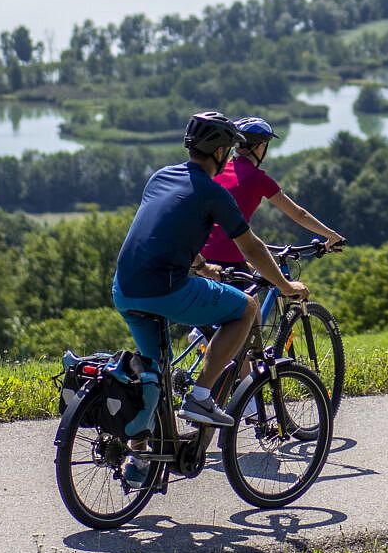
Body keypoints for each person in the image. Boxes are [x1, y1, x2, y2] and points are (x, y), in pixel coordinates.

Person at [111, 110, 310, 435]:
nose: (230, 156)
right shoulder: (213, 192)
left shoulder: (160, 176)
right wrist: (286, 286)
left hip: (124, 289)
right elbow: (252, 248)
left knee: (154, 375)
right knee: (246, 308)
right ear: (219, 151)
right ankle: (201, 396)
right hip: (164, 290)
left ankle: (140, 455)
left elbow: (166, 231)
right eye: (228, 150)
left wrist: (202, 267)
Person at [201, 116, 345, 270]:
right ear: (260, 146)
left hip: (200, 254)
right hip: (227, 256)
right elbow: (299, 215)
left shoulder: (218, 170)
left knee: (257, 275)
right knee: (271, 283)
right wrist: (332, 236)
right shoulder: (258, 179)